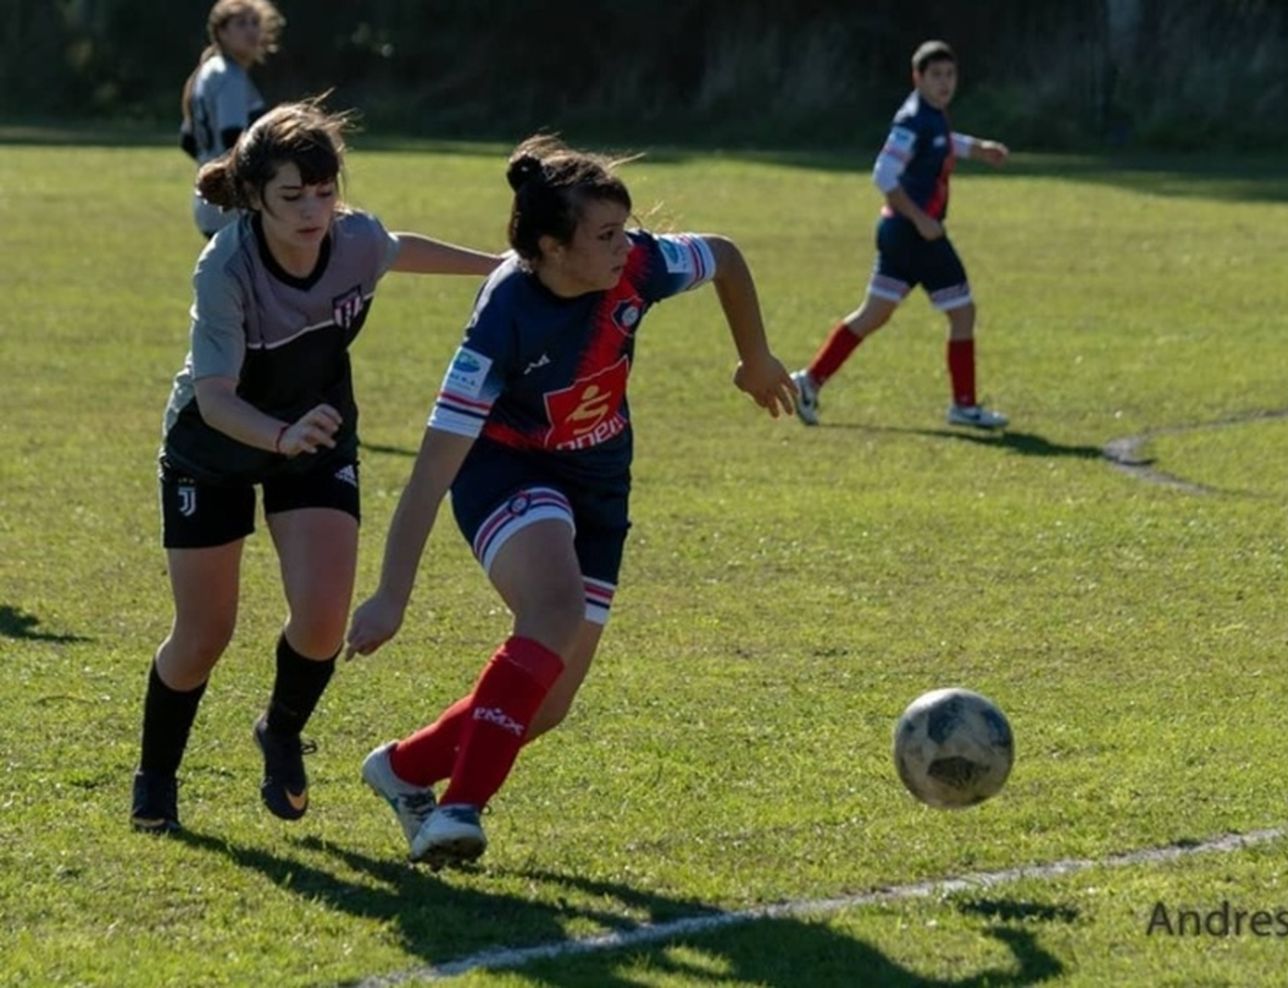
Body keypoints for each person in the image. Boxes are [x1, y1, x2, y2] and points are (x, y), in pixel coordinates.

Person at [343, 135, 797, 867]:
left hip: (600, 483)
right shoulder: (501, 324)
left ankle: (401, 770)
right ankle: (459, 810)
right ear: (551, 248)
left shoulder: (639, 266)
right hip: (506, 473)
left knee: (546, 706)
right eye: (607, 235)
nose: (628, 248)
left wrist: (756, 358)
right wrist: (391, 594)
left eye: (626, 230)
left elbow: (725, 254)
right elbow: (430, 472)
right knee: (551, 613)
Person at [132, 99, 504, 834]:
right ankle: (156, 778)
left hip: (316, 435)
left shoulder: (354, 240)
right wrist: (280, 434)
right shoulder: (225, 270)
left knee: (324, 616)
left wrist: (501, 270)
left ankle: (280, 729)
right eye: (291, 196)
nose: (312, 211)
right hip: (215, 446)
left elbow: (396, 247)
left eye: (324, 191)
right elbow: (213, 399)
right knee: (205, 633)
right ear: (254, 198)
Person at [790, 40, 1012, 430]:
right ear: (918, 78)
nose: (945, 83)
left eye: (950, 75)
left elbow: (943, 142)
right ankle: (964, 406)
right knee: (963, 312)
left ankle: (808, 382)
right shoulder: (912, 120)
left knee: (873, 314)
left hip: (897, 233)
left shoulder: (932, 115)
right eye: (936, 76)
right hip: (914, 235)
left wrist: (980, 149)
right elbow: (883, 174)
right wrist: (921, 219)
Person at [179, 0, 285, 238]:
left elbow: (187, 141)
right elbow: (233, 140)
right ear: (221, 32)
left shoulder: (208, 71)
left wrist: (210, 171)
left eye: (255, 22)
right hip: (234, 205)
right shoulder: (229, 76)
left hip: (210, 202)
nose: (251, 30)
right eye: (240, 23)